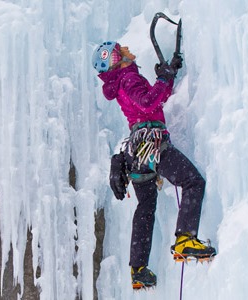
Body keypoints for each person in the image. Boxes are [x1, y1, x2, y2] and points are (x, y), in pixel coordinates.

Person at [92, 41, 216, 289]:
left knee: (146, 207)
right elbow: (149, 102)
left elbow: (150, 101)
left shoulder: (122, 82)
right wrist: (163, 80)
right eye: (121, 49)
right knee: (193, 181)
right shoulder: (128, 78)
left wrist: (167, 77)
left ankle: (138, 269)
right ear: (117, 58)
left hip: (136, 154)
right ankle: (185, 239)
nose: (126, 49)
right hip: (151, 144)